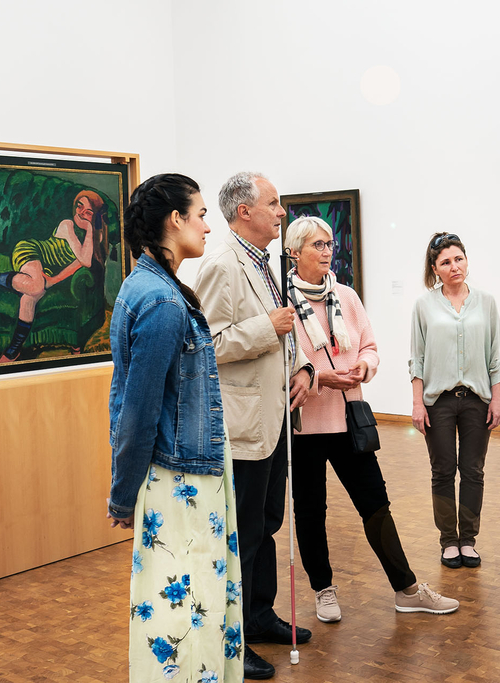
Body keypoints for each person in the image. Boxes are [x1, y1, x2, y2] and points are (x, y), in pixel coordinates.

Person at [284, 216, 459, 623]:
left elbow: (371, 346)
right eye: (317, 245)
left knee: (376, 505)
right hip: (304, 425)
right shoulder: (282, 301)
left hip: (349, 419)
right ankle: (322, 589)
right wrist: (317, 377)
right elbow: (280, 363)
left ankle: (407, 589)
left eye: (330, 244)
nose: (328, 251)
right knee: (311, 511)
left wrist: (365, 365)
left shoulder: (345, 295)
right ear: (295, 252)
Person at [106, 173, 242, 682]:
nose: (209, 225)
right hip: (179, 479)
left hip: (182, 469)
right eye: (202, 214)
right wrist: (122, 495)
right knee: (186, 609)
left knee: (187, 602)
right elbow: (136, 411)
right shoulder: (162, 302)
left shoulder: (148, 286)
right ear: (175, 220)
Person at [193, 172, 314, 681]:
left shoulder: (264, 263)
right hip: (243, 427)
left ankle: (259, 615)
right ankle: (232, 639)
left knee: (266, 523)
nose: (281, 212)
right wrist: (270, 329)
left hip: (273, 417)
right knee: (242, 532)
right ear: (244, 211)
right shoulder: (222, 266)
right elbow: (209, 345)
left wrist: (301, 368)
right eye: (273, 203)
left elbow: (279, 333)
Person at [409, 232, 500, 569]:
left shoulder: (486, 302)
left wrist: (496, 400)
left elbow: (495, 356)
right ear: (435, 269)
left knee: (473, 471)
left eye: (459, 259)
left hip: (477, 399)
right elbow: (417, 359)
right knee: (442, 471)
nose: (455, 267)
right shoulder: (424, 305)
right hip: (437, 400)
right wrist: (417, 403)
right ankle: (448, 541)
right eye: (446, 262)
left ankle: (468, 539)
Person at [0, 189, 107, 362]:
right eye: (79, 207)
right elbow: (86, 260)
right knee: (36, 287)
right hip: (32, 251)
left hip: (47, 270)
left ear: (95, 216)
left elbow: (78, 265)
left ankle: (14, 350)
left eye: (88, 212)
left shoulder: (96, 238)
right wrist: (89, 228)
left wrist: (52, 281)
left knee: (31, 296)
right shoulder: (67, 224)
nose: (80, 213)